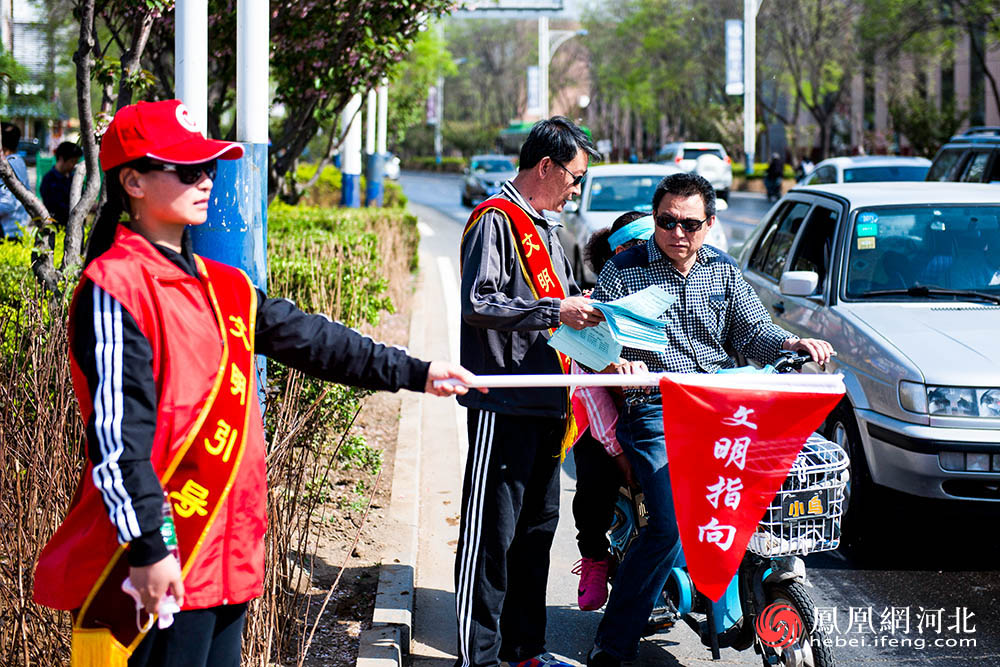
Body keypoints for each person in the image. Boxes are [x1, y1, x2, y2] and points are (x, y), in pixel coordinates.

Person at [31, 99, 480, 667]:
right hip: (163, 559)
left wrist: (417, 372)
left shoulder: (227, 287)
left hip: (230, 554)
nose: (205, 181)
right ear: (134, 181)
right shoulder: (114, 287)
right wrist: (150, 549)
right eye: (188, 170)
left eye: (210, 168)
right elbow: (119, 439)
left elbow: (315, 342)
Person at [586, 172, 833, 667]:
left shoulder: (722, 271)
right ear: (655, 220)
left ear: (710, 224)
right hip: (654, 408)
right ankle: (612, 644)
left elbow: (755, 331)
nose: (678, 232)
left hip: (722, 404)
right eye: (667, 221)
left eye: (690, 223)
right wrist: (619, 361)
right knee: (669, 525)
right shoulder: (622, 269)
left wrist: (790, 343)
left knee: (777, 487)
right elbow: (598, 343)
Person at [457, 116, 602, 667]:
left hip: (549, 403)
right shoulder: (494, 221)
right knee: (490, 537)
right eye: (574, 176)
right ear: (546, 166)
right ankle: (480, 656)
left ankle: (525, 651)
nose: (576, 189)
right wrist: (553, 308)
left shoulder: (545, 228)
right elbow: (480, 303)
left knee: (537, 533)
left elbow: (558, 307)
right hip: (506, 402)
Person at [570, 211, 650, 613]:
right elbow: (591, 393)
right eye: (632, 249)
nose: (644, 256)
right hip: (604, 424)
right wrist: (619, 453)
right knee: (594, 482)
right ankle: (595, 558)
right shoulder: (591, 311)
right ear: (613, 257)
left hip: (666, 416)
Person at [40, 140, 84, 228]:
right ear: (61, 158)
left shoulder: (74, 179)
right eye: (72, 161)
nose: (74, 165)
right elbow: (54, 207)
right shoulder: (49, 180)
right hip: (56, 228)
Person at [0, 122, 30, 240]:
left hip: (8, 233)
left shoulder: (8, 164)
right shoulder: (18, 160)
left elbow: (8, 203)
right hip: (15, 230)